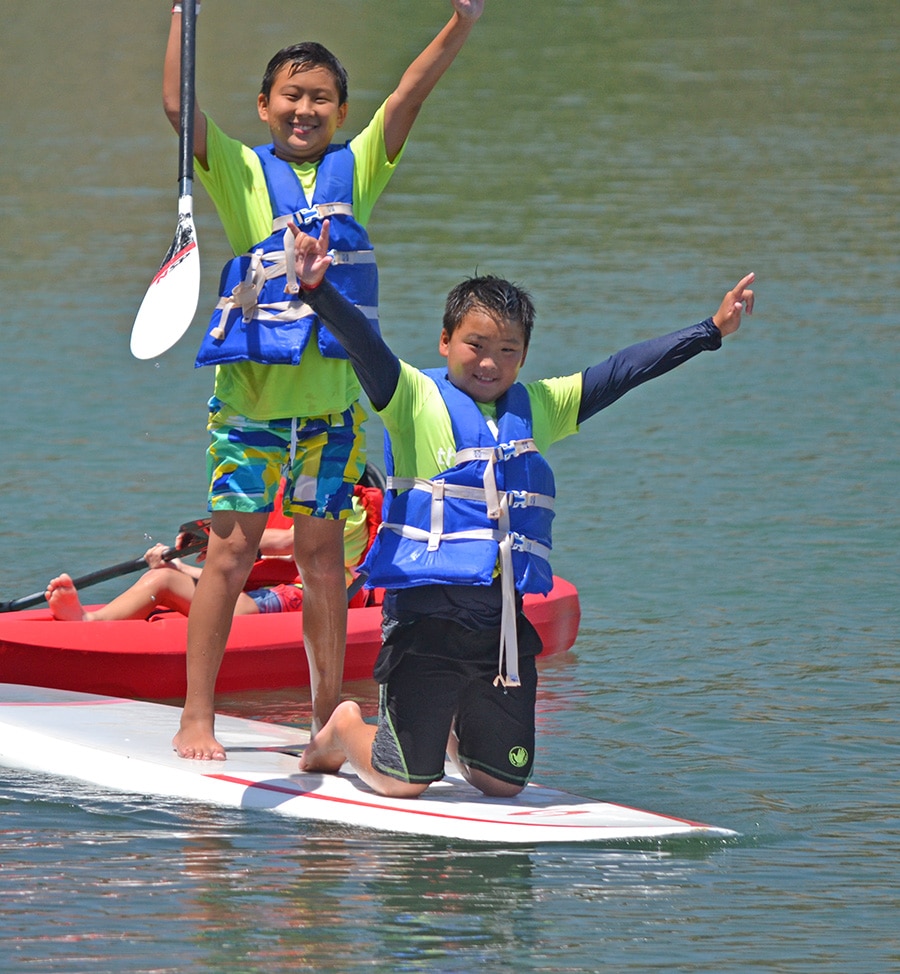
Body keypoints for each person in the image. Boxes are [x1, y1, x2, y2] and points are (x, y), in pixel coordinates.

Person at [288, 222, 755, 799]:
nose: (490, 362)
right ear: (444, 341)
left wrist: (709, 330)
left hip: (499, 630)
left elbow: (622, 372)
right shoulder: (409, 394)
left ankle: (453, 731)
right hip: (425, 620)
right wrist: (317, 291)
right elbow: (362, 342)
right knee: (402, 782)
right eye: (475, 346)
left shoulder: (537, 407)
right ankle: (344, 728)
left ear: (524, 355)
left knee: (501, 783)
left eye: (507, 350)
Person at [161, 1, 486, 758]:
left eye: (320, 99)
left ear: (342, 111)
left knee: (322, 562)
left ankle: (325, 715)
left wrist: (460, 25)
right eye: (290, 96)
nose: (304, 109)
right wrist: (182, 11)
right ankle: (196, 716)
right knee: (231, 553)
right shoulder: (240, 170)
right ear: (265, 107)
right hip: (250, 409)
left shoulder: (358, 169)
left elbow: (408, 93)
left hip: (334, 413)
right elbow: (179, 105)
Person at [44, 485, 381, 623]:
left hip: (308, 595)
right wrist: (179, 564)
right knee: (163, 575)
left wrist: (218, 538)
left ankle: (88, 622)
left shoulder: (347, 507)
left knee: (162, 582)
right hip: (268, 590)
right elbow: (245, 563)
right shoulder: (287, 495)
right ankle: (97, 618)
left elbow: (293, 543)